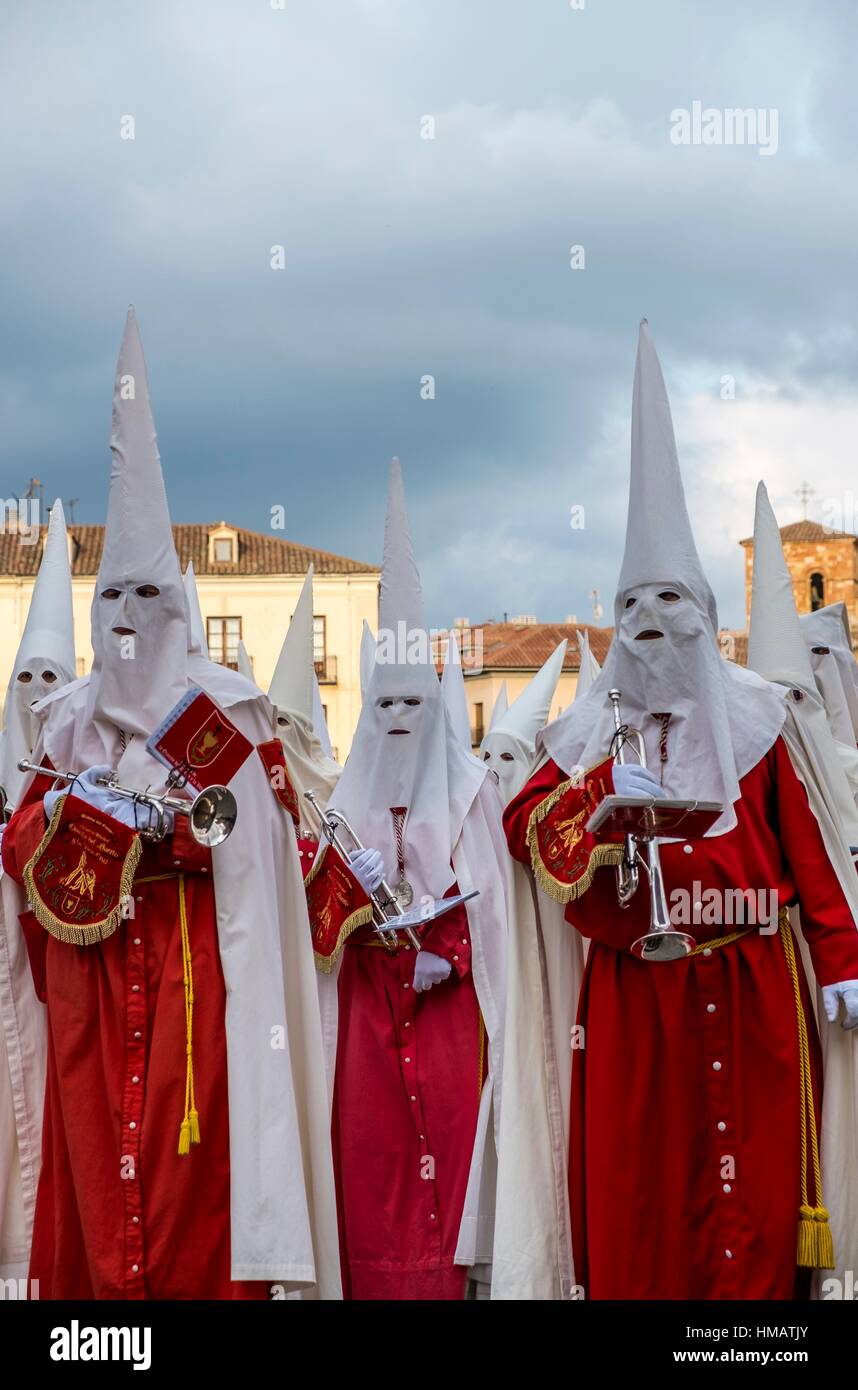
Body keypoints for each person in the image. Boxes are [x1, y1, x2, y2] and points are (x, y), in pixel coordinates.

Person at [503, 322, 858, 1299]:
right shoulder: (577, 738)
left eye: (673, 603)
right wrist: (603, 800)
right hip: (631, 1001)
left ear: (705, 612)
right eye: (635, 610)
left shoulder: (759, 719)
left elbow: (811, 849)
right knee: (644, 1199)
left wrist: (842, 956)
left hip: (753, 988)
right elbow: (526, 826)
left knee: (755, 1209)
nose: (655, 627)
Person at [1, 308, 340, 1300]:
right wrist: (79, 825)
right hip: (92, 1002)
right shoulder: (61, 722)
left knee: (198, 1200)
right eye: (111, 602)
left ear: (179, 609)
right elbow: (21, 839)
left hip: (204, 993)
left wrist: (172, 832)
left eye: (147, 600)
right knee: (94, 1197)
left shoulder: (226, 712)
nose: (126, 623)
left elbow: (258, 842)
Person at [305, 458, 507, 1299]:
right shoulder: (340, 799)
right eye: (381, 705)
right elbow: (310, 922)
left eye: (411, 705)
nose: (395, 720)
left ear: (435, 702)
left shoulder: (470, 792)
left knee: (453, 1162)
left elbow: (497, 909)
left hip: (454, 1016)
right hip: (362, 1016)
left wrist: (449, 945)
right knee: (371, 1167)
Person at [747, 480, 858, 1290]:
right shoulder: (754, 762)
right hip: (789, 977)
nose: (795, 705)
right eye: (777, 693)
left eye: (813, 679)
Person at [0, 499, 76, 1283]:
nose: (36, 690)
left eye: (52, 676)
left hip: (58, 997)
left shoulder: (87, 783)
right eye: (25, 675)